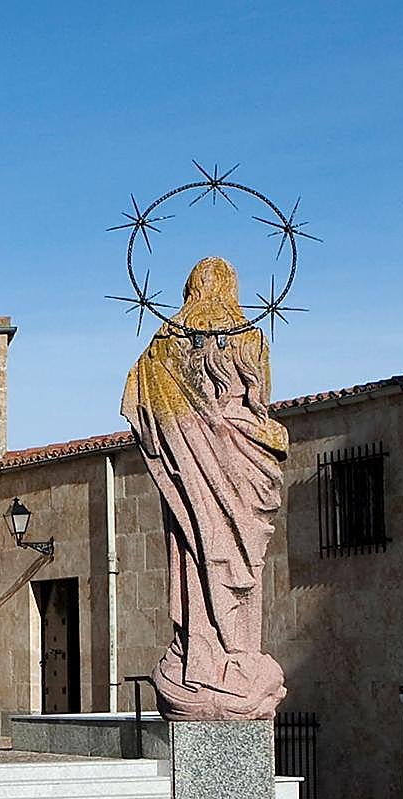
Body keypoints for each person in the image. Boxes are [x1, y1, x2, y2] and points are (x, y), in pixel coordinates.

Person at [121, 256, 288, 720]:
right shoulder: (249, 333)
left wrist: (189, 439)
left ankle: (201, 657)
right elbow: (259, 404)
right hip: (242, 458)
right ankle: (234, 654)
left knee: (196, 551)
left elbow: (138, 403)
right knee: (240, 557)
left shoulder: (162, 344)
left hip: (187, 466)